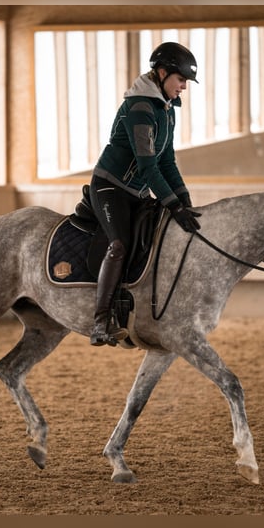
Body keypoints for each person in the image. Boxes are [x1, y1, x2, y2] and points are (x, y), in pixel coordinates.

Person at [89, 41, 202, 347]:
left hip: (137, 192)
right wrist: (173, 205)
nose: (184, 88)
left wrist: (185, 203)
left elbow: (167, 161)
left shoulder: (166, 109)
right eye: (181, 80)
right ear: (163, 73)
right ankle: (100, 322)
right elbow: (149, 167)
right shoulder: (141, 107)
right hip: (110, 188)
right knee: (120, 245)